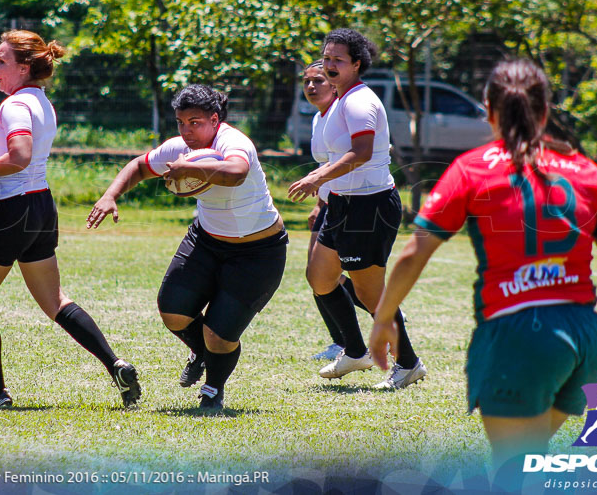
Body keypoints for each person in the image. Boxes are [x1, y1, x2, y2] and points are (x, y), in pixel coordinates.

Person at [368, 59, 597, 473]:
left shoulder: (472, 168)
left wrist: (383, 319)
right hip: (585, 338)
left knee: (511, 469)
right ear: (545, 111)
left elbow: (414, 252)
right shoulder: (585, 170)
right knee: (530, 457)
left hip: (517, 335)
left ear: (488, 108)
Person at [0, 30, 140, 409]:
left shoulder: (14, 106)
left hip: (11, 209)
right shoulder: (38, 101)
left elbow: (19, 155)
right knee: (54, 301)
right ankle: (115, 364)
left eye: (2, 61)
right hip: (40, 207)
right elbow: (20, 147)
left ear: (24, 67)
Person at [88, 84, 288, 412]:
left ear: (214, 119)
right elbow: (139, 166)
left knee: (219, 336)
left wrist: (192, 168)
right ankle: (199, 352)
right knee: (173, 311)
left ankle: (213, 389)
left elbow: (237, 172)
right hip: (207, 240)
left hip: (258, 251)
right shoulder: (179, 147)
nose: (186, 130)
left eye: (195, 122)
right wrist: (111, 195)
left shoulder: (233, 142)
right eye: (180, 122)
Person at [288, 29, 425, 390]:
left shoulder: (358, 102)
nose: (330, 65)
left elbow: (361, 152)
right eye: (327, 57)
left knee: (369, 293)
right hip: (344, 204)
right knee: (320, 276)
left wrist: (317, 177)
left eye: (338, 60)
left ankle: (408, 364)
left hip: (369, 206)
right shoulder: (339, 102)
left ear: (356, 64)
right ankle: (354, 350)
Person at [299, 61, 371, 362]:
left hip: (349, 202)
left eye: (319, 80)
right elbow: (325, 164)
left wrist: (324, 195)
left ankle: (382, 312)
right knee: (318, 276)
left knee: (330, 275)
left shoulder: (345, 113)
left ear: (334, 84)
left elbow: (355, 157)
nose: (312, 86)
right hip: (330, 202)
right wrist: (319, 203)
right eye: (307, 81)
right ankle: (342, 342)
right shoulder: (320, 118)